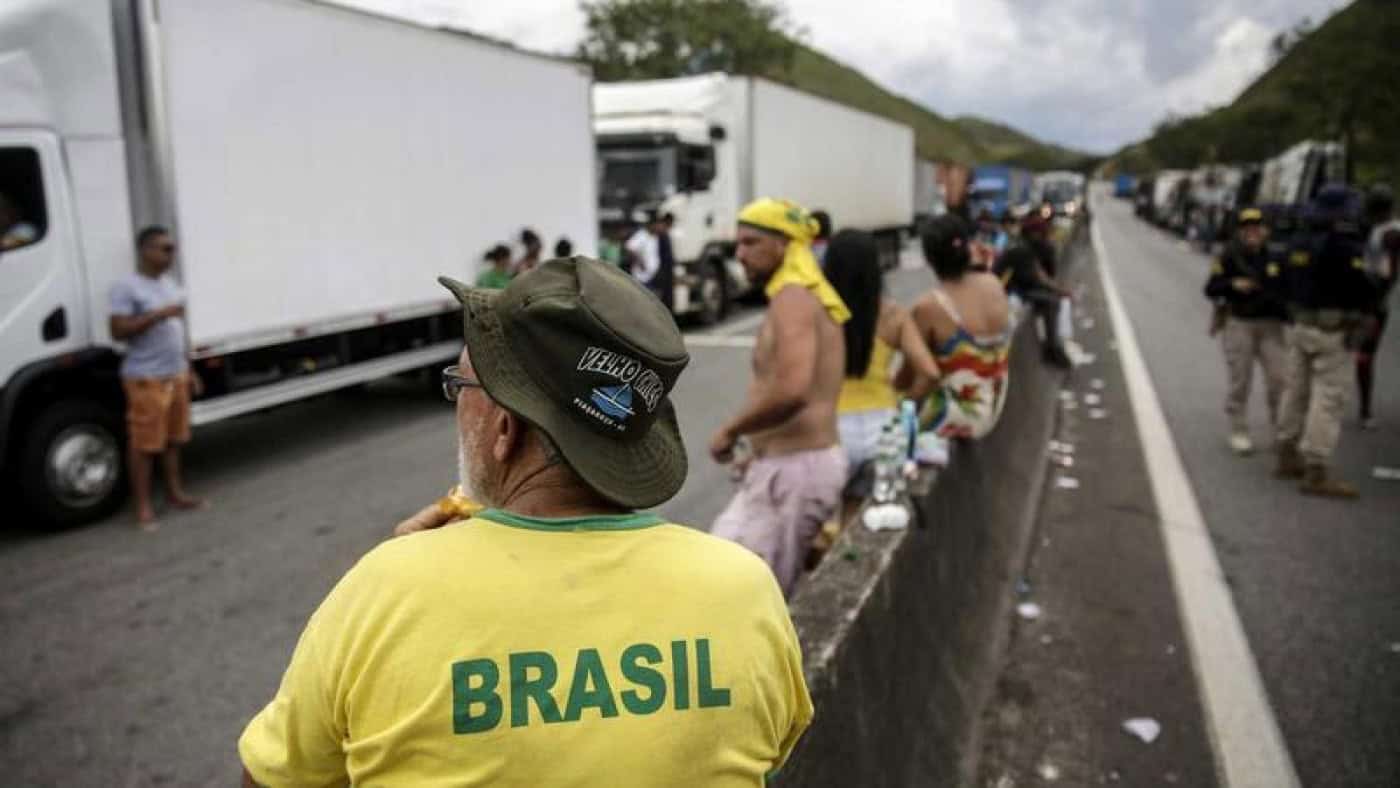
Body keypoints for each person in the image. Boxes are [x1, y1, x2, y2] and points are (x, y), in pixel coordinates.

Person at [239, 258, 812, 786]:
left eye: (461, 386)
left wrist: (404, 579)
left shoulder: (383, 592)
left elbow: (273, 779)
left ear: (505, 429)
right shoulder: (745, 591)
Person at [709, 198, 849, 598]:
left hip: (795, 472)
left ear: (784, 244)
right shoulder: (799, 296)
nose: (740, 254)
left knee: (746, 597)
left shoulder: (794, 299)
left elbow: (793, 388)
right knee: (725, 577)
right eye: (738, 244)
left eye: (751, 242)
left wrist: (730, 430)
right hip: (781, 469)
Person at [1275, 185, 1378, 498]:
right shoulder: (1345, 246)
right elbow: (1364, 287)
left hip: (1299, 325)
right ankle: (1316, 470)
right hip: (1332, 332)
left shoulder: (1297, 241)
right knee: (1328, 399)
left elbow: (1281, 281)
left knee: (1295, 391)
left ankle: (1286, 454)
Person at [108, 226, 205, 529]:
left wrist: (189, 369)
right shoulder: (126, 287)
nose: (171, 255)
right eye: (165, 249)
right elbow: (117, 331)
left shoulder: (169, 284)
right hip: (146, 377)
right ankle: (143, 507)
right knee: (144, 444)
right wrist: (158, 315)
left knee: (173, 440)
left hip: (175, 374)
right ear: (145, 250)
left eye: (172, 248)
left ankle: (175, 494)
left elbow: (178, 332)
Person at [824, 229, 941, 475]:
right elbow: (930, 373)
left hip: (831, 431)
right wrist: (905, 404)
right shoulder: (893, 315)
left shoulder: (817, 315)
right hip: (884, 429)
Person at [898, 214, 1012, 438]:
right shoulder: (994, 284)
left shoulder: (929, 306)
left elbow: (910, 377)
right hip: (996, 404)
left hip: (961, 416)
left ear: (929, 259)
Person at [1203, 208, 1288, 454]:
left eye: (1257, 226)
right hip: (1240, 323)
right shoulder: (1229, 256)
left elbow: (1291, 287)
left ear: (1265, 230)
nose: (1253, 231)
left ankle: (1280, 432)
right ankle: (1238, 430)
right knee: (1240, 380)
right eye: (1247, 227)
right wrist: (1233, 284)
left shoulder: (1276, 256)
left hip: (1271, 326)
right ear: (1240, 231)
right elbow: (1211, 288)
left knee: (1279, 380)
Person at [995, 215, 1073, 368]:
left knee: (1053, 300)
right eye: (1041, 233)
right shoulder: (1021, 250)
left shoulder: (1026, 248)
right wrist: (1059, 290)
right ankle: (1052, 347)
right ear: (1033, 234)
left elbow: (1040, 275)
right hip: (1015, 293)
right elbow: (1036, 278)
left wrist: (1059, 290)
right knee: (1052, 302)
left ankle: (1053, 344)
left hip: (1020, 289)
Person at [1357, 185, 1399, 428]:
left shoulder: (1391, 234)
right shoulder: (1375, 228)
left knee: (1364, 356)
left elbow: (1388, 275)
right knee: (1361, 356)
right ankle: (1364, 411)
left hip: (1373, 302)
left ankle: (1365, 411)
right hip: (1367, 299)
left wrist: (1373, 307)